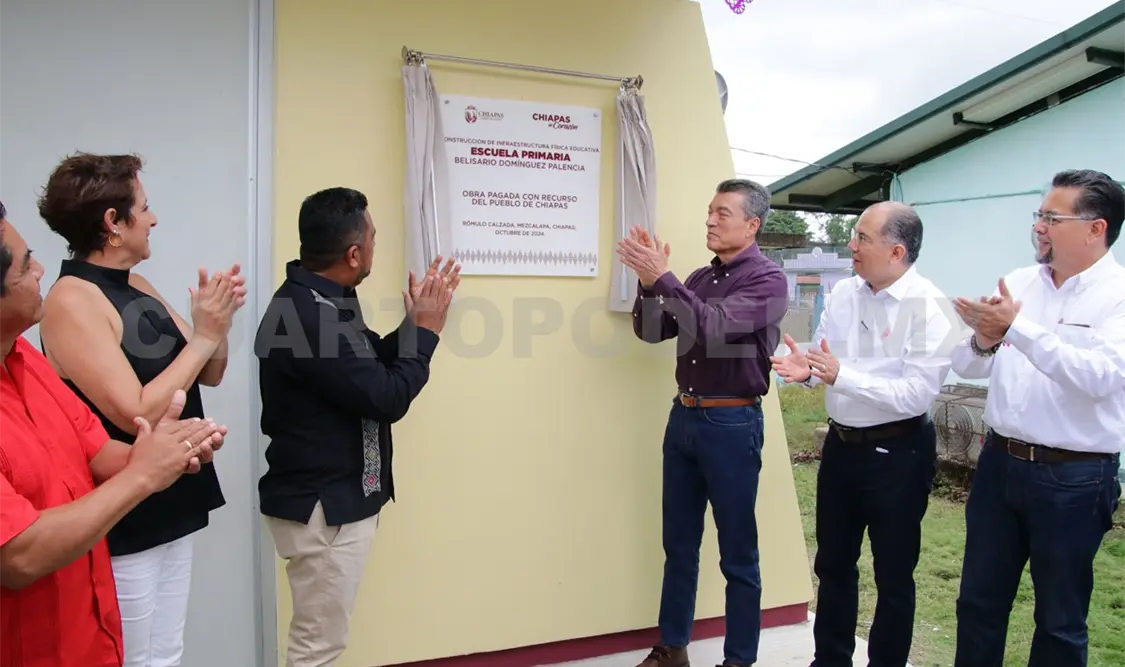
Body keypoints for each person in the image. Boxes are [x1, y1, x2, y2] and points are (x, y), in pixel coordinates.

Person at [35, 153, 246, 667]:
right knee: (128, 656)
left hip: (175, 490)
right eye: (144, 207)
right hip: (125, 507)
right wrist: (204, 336)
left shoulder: (137, 286)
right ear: (113, 223)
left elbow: (209, 370)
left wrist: (214, 323)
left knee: (165, 653)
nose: (153, 219)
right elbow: (137, 413)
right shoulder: (71, 299)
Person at [255, 187, 458, 667]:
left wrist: (414, 325)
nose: (373, 247)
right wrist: (426, 332)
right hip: (323, 508)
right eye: (371, 238)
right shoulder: (308, 317)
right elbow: (386, 396)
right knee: (316, 648)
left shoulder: (320, 300)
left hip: (333, 501)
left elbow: (368, 368)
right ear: (353, 253)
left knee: (321, 642)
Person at [950, 169, 1125, 667]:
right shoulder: (1020, 282)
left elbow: (1099, 378)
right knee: (978, 604)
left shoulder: (1118, 294)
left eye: (1052, 217)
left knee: (1059, 620)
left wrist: (1016, 328)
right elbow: (963, 365)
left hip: (1073, 476)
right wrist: (984, 337)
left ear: (1097, 228)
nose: (1040, 227)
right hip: (1000, 465)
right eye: (1039, 216)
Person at [770, 202, 954, 667]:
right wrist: (806, 370)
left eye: (862, 238)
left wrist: (840, 376)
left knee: (893, 574)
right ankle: (830, 659)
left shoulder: (930, 306)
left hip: (899, 452)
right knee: (833, 564)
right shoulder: (846, 294)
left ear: (896, 251)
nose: (851, 246)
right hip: (841, 447)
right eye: (853, 236)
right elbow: (827, 360)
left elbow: (915, 395)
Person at [617, 179, 789, 667]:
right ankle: (672, 648)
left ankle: (738, 660)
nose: (710, 220)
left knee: (737, 554)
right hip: (685, 419)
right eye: (709, 212)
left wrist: (663, 276)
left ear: (752, 224)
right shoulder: (696, 278)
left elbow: (714, 327)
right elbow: (652, 332)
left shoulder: (768, 281)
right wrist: (650, 284)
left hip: (732, 425)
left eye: (722, 213)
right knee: (679, 545)